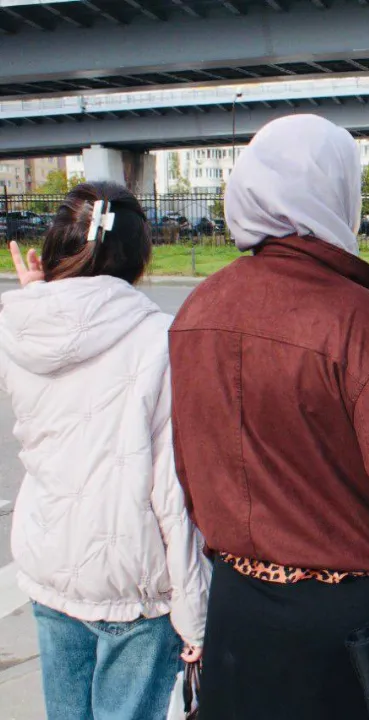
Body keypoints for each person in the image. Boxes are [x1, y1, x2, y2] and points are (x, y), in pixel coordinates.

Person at [167, 114, 369, 719]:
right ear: (338, 194)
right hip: (349, 623)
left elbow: (191, 470)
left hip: (237, 605)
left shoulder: (199, 307)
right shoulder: (358, 319)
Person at [0, 183, 208, 720]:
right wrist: (196, 616)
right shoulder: (160, 338)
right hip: (131, 580)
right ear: (141, 258)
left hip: (51, 564)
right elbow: (171, 492)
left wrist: (38, 298)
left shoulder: (21, 326)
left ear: (54, 248)